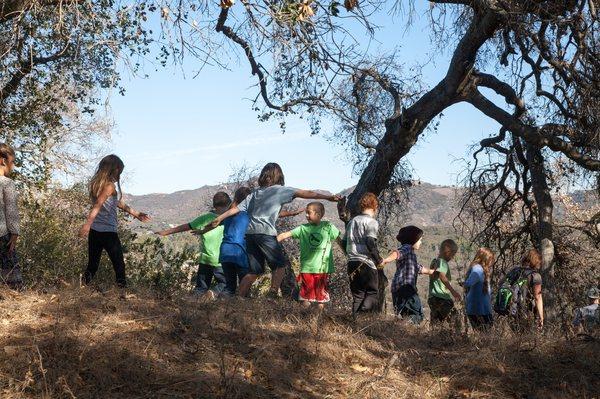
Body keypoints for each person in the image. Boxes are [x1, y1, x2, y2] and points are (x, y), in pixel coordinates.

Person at [209, 163, 341, 298]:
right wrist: (327, 197)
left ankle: (238, 298)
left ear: (264, 176)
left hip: (250, 235)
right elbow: (307, 193)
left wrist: (220, 218)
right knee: (280, 266)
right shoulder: (280, 190)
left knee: (254, 272)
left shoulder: (255, 193)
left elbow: (235, 209)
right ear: (279, 176)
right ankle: (272, 294)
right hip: (265, 233)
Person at [79, 155, 150, 288]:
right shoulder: (109, 186)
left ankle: (82, 287)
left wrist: (135, 213)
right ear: (115, 169)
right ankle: (122, 290)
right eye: (120, 171)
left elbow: (113, 202)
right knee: (118, 264)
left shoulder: (97, 184)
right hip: (108, 232)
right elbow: (98, 205)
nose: (120, 175)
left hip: (95, 232)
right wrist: (86, 225)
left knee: (93, 264)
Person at [156, 192, 231, 298]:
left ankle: (194, 301)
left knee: (201, 287)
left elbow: (187, 226)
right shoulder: (229, 218)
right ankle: (213, 293)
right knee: (226, 283)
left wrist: (166, 232)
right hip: (221, 260)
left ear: (214, 205)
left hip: (206, 258)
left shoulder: (206, 218)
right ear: (229, 204)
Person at [277, 202, 341, 309]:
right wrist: (271, 243)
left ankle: (316, 320)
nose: (306, 215)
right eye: (306, 213)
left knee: (321, 298)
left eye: (309, 213)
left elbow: (340, 239)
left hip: (322, 269)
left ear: (319, 214)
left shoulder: (328, 227)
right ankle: (305, 319)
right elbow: (284, 235)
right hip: (307, 269)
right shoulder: (303, 228)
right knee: (306, 297)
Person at [381, 225, 433, 324]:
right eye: (420, 240)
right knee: (417, 314)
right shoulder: (407, 248)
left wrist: (431, 271)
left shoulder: (411, 255)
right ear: (413, 239)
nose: (421, 242)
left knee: (406, 313)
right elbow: (397, 254)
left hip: (398, 289)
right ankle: (403, 325)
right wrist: (386, 260)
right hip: (406, 288)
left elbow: (418, 268)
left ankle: (399, 327)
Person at [345, 192, 385, 315]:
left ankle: (355, 322)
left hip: (352, 262)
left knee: (358, 295)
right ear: (375, 207)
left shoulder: (352, 221)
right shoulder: (372, 222)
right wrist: (378, 260)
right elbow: (370, 242)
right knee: (373, 293)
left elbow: (343, 241)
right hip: (366, 263)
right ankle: (362, 313)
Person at [0, 144, 22, 290]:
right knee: (11, 276)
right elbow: (11, 209)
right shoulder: (7, 183)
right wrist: (15, 232)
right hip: (2, 234)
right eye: (12, 162)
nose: (13, 166)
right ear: (3, 161)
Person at [428, 239, 462, 324]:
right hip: (441, 297)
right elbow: (441, 275)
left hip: (432, 297)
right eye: (453, 254)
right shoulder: (442, 262)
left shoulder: (435, 261)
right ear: (447, 252)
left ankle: (434, 337)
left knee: (436, 322)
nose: (452, 257)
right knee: (455, 320)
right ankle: (457, 336)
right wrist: (453, 291)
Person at [464, 248, 495, 330]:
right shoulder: (478, 269)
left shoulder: (480, 269)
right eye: (491, 259)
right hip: (479, 310)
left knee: (484, 334)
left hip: (480, 309)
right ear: (486, 259)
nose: (492, 262)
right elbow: (470, 282)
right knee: (486, 333)